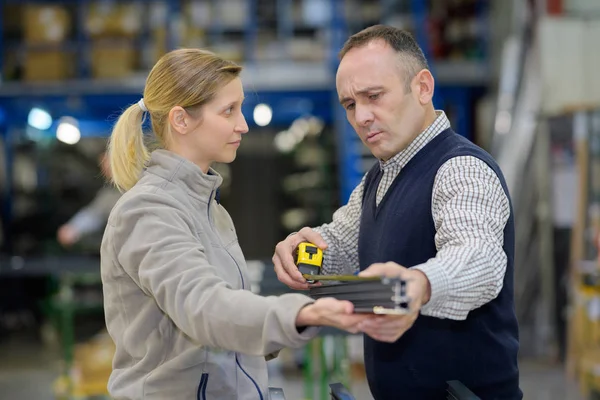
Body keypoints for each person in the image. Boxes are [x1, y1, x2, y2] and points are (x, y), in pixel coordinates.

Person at [100, 48, 382, 400]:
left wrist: (303, 300)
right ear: (181, 120)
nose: (243, 124)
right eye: (228, 110)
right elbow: (205, 309)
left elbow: (225, 320)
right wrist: (304, 314)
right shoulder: (147, 209)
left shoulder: (211, 209)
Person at [273, 25, 522, 400]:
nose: (362, 117)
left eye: (374, 96)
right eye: (350, 104)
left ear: (422, 87)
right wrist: (302, 254)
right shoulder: (379, 178)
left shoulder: (460, 169)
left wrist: (418, 285)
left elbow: (479, 258)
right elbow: (339, 246)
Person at [57, 151, 121, 247]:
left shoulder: (144, 184)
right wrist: (73, 228)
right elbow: (94, 214)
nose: (105, 169)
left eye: (108, 163)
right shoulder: (109, 194)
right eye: (103, 165)